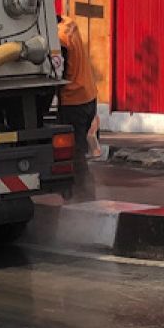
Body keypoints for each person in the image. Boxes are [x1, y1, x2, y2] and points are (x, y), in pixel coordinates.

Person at [57, 15, 97, 200]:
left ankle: (83, 193)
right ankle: (80, 191)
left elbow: (58, 73)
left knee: (74, 150)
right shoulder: (69, 24)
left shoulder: (60, 38)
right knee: (78, 146)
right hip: (89, 96)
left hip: (73, 100)